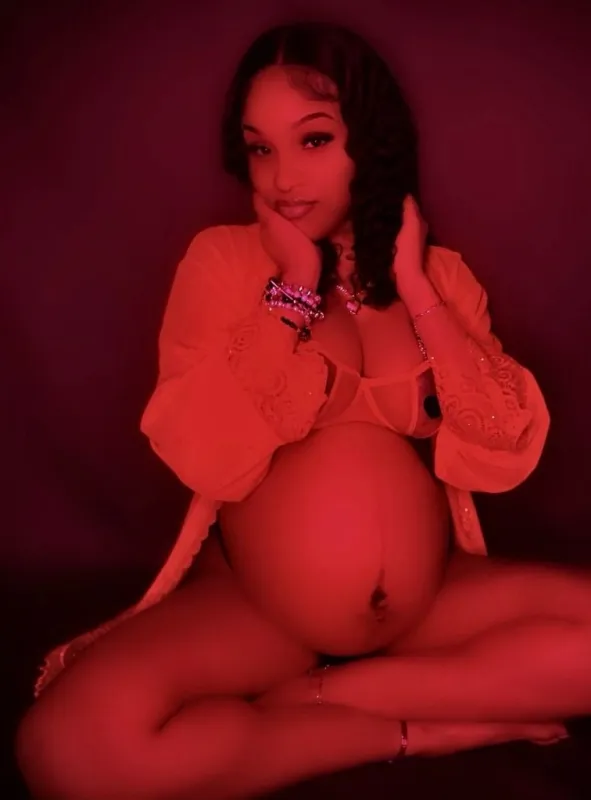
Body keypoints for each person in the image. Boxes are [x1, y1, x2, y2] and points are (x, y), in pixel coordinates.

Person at [16, 19, 591, 800]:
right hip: (260, 609)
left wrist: (416, 291)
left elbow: (500, 444)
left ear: (371, 142)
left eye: (313, 140)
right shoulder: (223, 262)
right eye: (260, 149)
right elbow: (208, 453)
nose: (283, 178)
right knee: (69, 752)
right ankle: (420, 730)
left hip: (428, 602)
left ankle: (328, 699)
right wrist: (291, 287)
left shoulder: (440, 277)